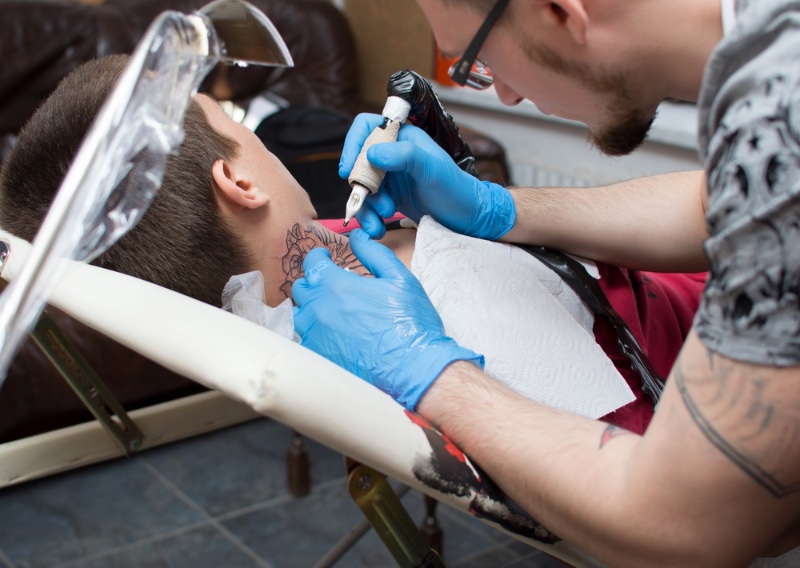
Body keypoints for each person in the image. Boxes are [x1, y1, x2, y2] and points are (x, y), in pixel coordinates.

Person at [290, 0, 800, 567]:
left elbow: (686, 525)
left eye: (479, 60)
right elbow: (719, 200)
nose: (504, 95)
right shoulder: (768, 49)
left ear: (560, 10)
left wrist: (426, 371)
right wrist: (496, 208)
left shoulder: (784, 120)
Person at [0, 55, 702, 434]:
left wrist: (489, 205)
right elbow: (643, 481)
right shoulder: (466, 309)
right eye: (241, 123)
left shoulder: (288, 282)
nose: (258, 134)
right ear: (239, 182)